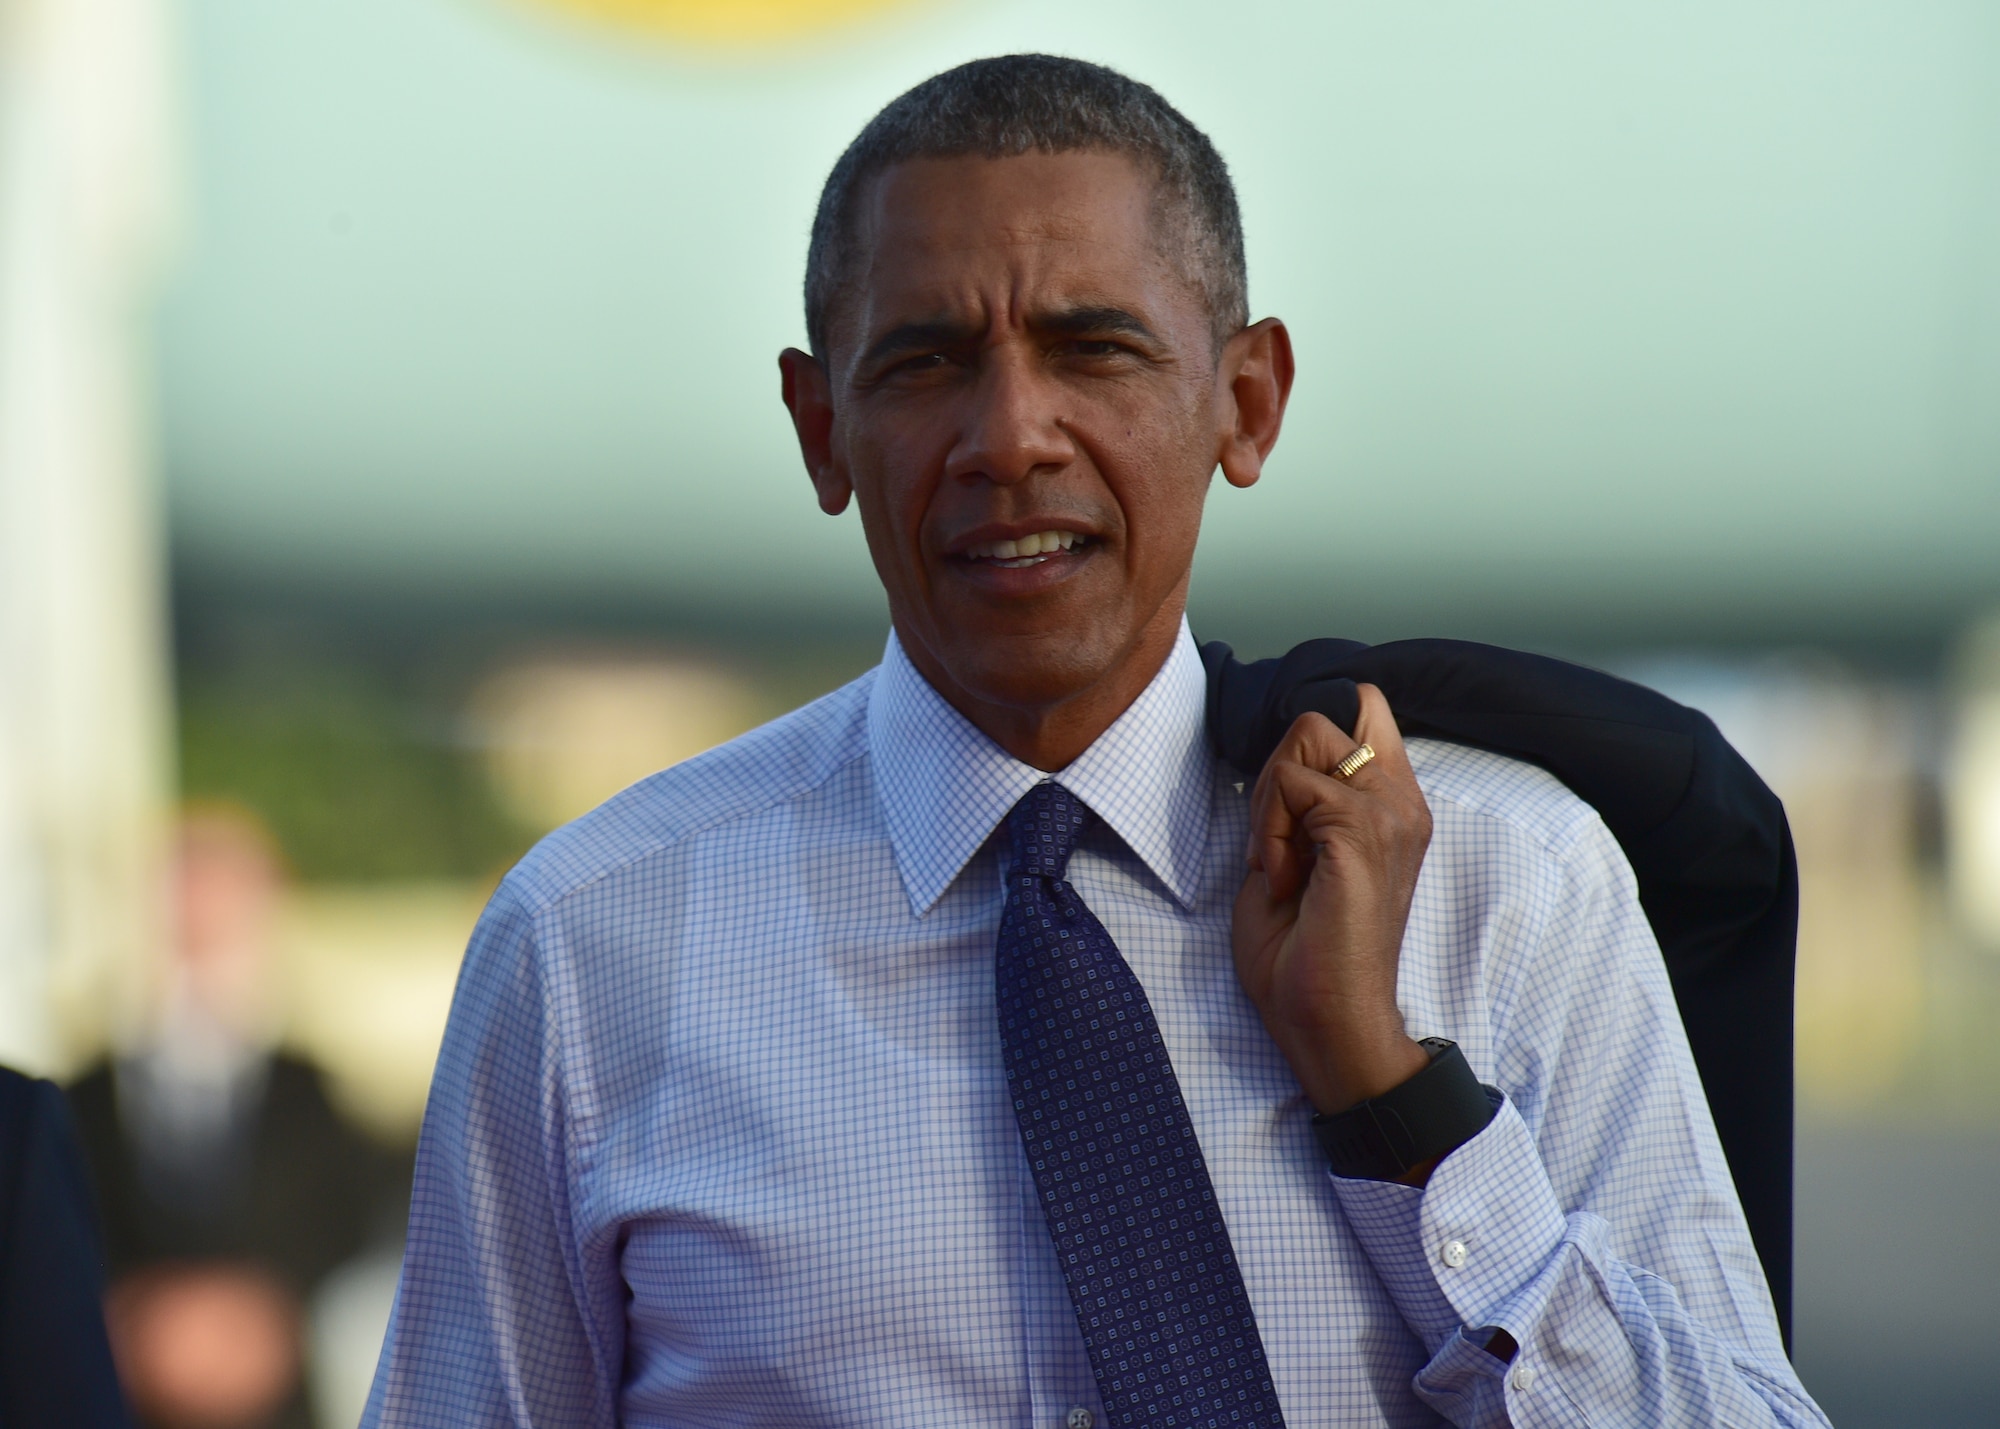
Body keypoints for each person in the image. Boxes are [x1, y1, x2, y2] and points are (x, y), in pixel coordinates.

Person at [365, 56, 1828, 1427]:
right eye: (927, 363)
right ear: (821, 430)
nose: (1012, 436)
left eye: (1095, 346)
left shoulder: (1514, 886)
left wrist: (1397, 1100)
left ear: (1245, 404)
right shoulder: (589, 946)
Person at [68, 808, 410, 1429]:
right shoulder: (76, 1104)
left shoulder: (316, 1099)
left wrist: (264, 1315)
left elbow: (357, 1222)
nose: (200, 952)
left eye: (220, 926)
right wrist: (127, 1318)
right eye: (184, 927)